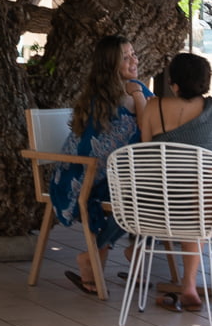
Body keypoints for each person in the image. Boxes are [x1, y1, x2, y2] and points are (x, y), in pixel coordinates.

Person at [141, 51, 212, 310]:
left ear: (174, 83)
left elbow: (144, 152)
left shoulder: (151, 107)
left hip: (151, 206)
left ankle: (185, 284)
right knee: (202, 194)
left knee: (190, 192)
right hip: (200, 208)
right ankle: (189, 283)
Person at [50, 35, 148, 295]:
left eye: (134, 54)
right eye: (125, 57)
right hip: (82, 176)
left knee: (149, 190)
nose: (134, 60)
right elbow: (146, 128)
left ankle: (110, 254)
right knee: (140, 195)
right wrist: (138, 95)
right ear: (110, 65)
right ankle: (113, 254)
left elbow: (152, 125)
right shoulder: (106, 99)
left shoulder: (136, 89)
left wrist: (138, 92)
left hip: (115, 175)